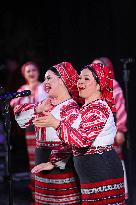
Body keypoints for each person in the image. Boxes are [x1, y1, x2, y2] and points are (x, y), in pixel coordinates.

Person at [33, 63, 125, 204]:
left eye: (86, 78)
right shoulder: (86, 109)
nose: (80, 81)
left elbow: (82, 140)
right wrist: (54, 162)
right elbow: (72, 142)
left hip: (103, 173)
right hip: (91, 175)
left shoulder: (99, 109)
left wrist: (55, 123)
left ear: (99, 85)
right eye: (80, 77)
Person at [14, 62, 81, 204]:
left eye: (49, 78)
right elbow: (20, 119)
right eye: (45, 78)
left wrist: (54, 162)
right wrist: (37, 109)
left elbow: (74, 141)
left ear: (62, 79)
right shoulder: (46, 104)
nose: (45, 82)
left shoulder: (71, 107)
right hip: (41, 162)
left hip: (61, 167)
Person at [10, 61, 48, 196]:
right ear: (24, 74)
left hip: (47, 127)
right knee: (34, 158)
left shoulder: (45, 86)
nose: (31, 73)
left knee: (48, 156)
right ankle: (37, 191)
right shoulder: (22, 89)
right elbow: (13, 104)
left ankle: (49, 188)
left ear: (38, 71)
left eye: (33, 70)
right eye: (28, 71)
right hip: (31, 130)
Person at [92, 57, 128, 199]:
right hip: (95, 132)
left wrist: (120, 129)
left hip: (110, 131)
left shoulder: (113, 84)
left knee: (114, 161)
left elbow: (120, 109)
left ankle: (119, 195)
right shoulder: (90, 86)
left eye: (100, 66)